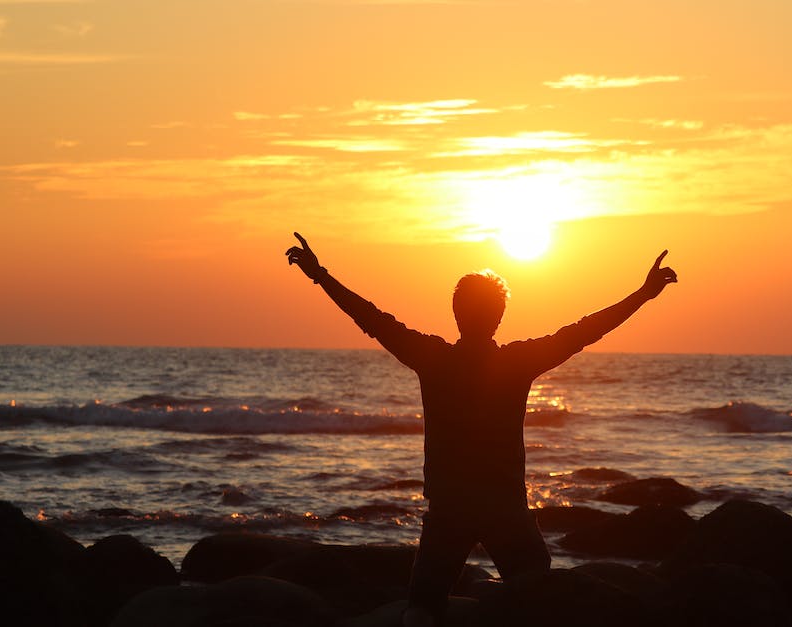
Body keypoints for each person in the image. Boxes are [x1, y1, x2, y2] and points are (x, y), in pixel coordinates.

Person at [285, 232, 677, 626]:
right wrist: (642, 294)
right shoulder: (516, 362)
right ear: (499, 316)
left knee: (422, 610)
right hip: (504, 508)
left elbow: (371, 318)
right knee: (538, 599)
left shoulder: (433, 357)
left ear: (456, 312)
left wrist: (320, 275)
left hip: (449, 509)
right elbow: (585, 330)